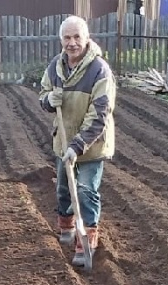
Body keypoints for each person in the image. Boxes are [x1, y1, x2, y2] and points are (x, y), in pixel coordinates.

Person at [38, 15, 116, 267]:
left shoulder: (99, 70)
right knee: (63, 189)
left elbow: (100, 114)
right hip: (63, 140)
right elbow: (42, 95)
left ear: (86, 38)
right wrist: (49, 100)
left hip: (91, 145)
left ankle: (87, 238)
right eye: (67, 38)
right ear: (61, 39)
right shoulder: (55, 67)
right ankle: (66, 225)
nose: (72, 43)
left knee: (85, 190)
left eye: (76, 37)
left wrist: (77, 145)